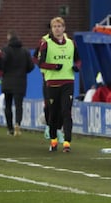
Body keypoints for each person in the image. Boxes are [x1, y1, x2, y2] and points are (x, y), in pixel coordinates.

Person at [38, 17, 81, 152]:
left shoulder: (71, 43)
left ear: (64, 28)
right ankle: (54, 140)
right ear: (51, 29)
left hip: (68, 81)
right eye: (55, 26)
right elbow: (40, 63)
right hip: (52, 83)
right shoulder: (46, 44)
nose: (57, 29)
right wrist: (53, 66)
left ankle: (67, 142)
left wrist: (77, 67)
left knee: (66, 112)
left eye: (59, 26)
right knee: (53, 113)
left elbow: (78, 60)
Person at [0, 31, 34, 136]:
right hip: (20, 81)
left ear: (9, 38)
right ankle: (18, 124)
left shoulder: (5, 50)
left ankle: (10, 128)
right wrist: (22, 72)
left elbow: (1, 64)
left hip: (7, 81)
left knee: (8, 105)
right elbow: (31, 66)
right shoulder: (25, 51)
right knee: (19, 105)